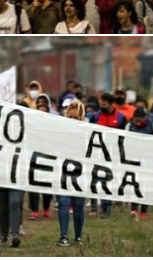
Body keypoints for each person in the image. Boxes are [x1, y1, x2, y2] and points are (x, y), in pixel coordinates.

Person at [88, 93, 128, 217]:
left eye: (104, 104)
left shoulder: (121, 118)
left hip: (114, 153)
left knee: (110, 179)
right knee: (99, 178)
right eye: (101, 104)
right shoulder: (95, 116)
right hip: (98, 153)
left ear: (111, 104)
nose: (102, 106)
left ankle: (107, 206)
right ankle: (101, 206)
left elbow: (125, 136)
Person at [56, 100, 88, 246]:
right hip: (63, 169)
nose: (73, 120)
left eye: (76, 118)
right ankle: (63, 236)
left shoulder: (88, 130)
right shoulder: (60, 128)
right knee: (63, 202)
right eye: (70, 117)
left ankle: (78, 236)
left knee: (78, 205)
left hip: (81, 171)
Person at [126, 107, 153, 219]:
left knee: (146, 185)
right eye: (135, 120)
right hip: (134, 159)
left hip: (149, 160)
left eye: (139, 120)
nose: (137, 123)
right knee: (134, 184)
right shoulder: (129, 126)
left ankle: (144, 210)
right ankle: (133, 209)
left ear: (145, 118)